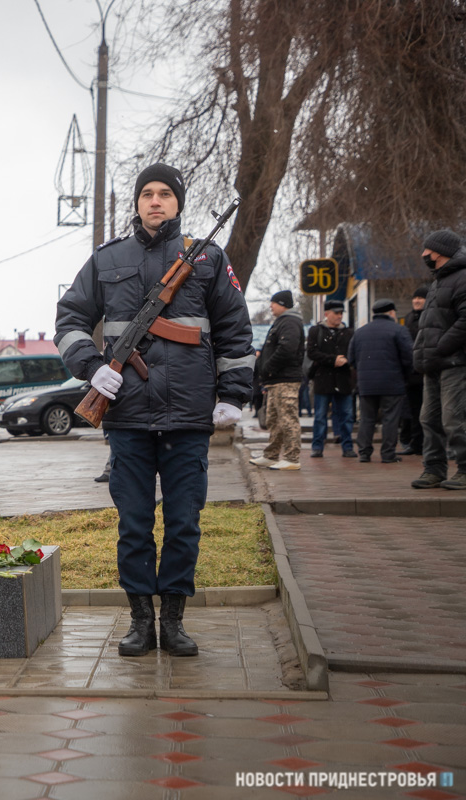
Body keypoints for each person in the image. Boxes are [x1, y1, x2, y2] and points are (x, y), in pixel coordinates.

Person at [54, 163, 254, 658]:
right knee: (135, 522)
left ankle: (175, 621)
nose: (156, 201)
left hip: (188, 416)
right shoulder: (107, 260)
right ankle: (141, 620)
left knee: (184, 520)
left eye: (166, 193)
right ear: (138, 203)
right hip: (126, 415)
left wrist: (232, 393)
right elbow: (70, 319)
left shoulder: (206, 258)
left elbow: (234, 328)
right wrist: (92, 366)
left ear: (179, 203)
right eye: (148, 193)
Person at [411, 230, 466, 490]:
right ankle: (433, 469)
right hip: (433, 364)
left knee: (454, 419)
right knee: (429, 419)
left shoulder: (462, 278)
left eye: (427, 250)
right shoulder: (438, 281)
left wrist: (441, 348)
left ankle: (464, 470)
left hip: (454, 363)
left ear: (439, 251)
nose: (423, 255)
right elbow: (430, 324)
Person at [348, 299, 412, 463]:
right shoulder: (399, 330)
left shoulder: (360, 332)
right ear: (391, 313)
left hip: (366, 384)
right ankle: (388, 454)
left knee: (367, 418)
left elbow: (351, 359)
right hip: (392, 383)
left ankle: (364, 453)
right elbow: (409, 357)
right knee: (390, 419)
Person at [250, 290, 306, 470]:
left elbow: (287, 349)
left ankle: (292, 457)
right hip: (276, 380)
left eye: (273, 303)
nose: (270, 306)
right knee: (274, 419)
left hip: (286, 379)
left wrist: (268, 368)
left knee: (288, 419)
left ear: (282, 303)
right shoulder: (282, 322)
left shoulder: (290, 322)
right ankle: (271, 455)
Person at [306, 300, 355, 458]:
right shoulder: (316, 331)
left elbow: (353, 352)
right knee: (320, 416)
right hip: (323, 379)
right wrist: (332, 359)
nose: (339, 316)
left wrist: (346, 360)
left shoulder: (348, 332)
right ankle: (317, 447)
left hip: (343, 380)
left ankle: (347, 447)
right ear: (327, 314)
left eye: (341, 313)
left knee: (346, 416)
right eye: (336, 313)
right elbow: (311, 353)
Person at [400, 286, 427, 456]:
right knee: (414, 411)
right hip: (412, 374)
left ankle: (434, 445)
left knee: (432, 411)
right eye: (414, 297)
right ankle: (416, 444)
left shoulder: (432, 315)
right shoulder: (409, 318)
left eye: (420, 298)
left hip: (428, 371)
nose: (416, 300)